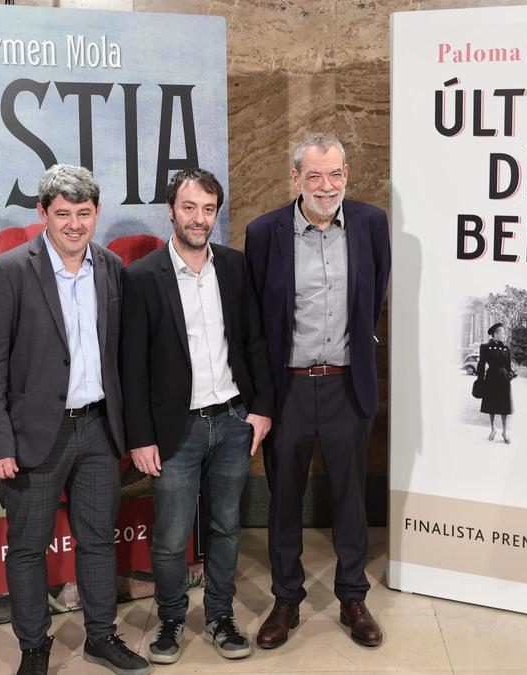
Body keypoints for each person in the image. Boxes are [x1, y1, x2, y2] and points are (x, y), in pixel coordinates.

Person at [0, 165, 150, 675]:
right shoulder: (8, 271)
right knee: (27, 547)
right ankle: (33, 647)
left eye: (84, 213)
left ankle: (101, 637)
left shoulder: (112, 267)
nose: (74, 224)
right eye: (63, 213)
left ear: (97, 213)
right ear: (42, 213)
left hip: (97, 428)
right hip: (33, 435)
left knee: (97, 539)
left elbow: (122, 357)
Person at [121, 168, 274, 664]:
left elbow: (254, 341)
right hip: (175, 431)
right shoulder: (143, 277)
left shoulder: (233, 267)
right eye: (190, 208)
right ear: (170, 210)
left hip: (232, 421)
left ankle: (219, 617)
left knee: (227, 526)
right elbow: (133, 367)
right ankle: (168, 619)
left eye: (209, 209)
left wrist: (262, 409)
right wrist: (140, 437)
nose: (199, 218)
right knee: (170, 534)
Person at [245, 132, 391, 649]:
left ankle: (353, 595)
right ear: (295, 179)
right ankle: (287, 599)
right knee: (284, 497)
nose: (325, 186)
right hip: (287, 388)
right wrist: (262, 398)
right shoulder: (264, 233)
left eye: (334, 175)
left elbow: (375, 297)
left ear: (346, 176)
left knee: (350, 497)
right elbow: (258, 320)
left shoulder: (372, 224)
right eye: (314, 176)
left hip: (346, 386)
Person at [475, 323, 514, 442]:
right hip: (491, 379)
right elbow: (481, 365)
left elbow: (508, 367)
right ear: (495, 334)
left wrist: (510, 375)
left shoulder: (506, 349)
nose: (504, 335)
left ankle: (504, 432)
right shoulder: (485, 347)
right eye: (502, 332)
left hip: (504, 380)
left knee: (504, 407)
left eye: (504, 333)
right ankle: (492, 429)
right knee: (491, 406)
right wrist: (480, 380)